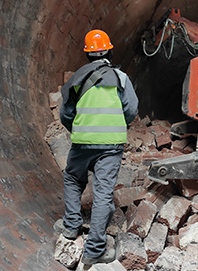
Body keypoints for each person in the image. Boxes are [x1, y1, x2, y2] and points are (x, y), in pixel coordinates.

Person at [57, 29, 138, 265]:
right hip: (111, 146)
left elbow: (66, 113)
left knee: (73, 179)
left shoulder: (76, 80)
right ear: (109, 51)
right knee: (103, 193)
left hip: (82, 142)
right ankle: (94, 250)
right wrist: (115, 124)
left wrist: (81, 129)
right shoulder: (121, 78)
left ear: (87, 55)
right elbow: (131, 109)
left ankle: (71, 227)